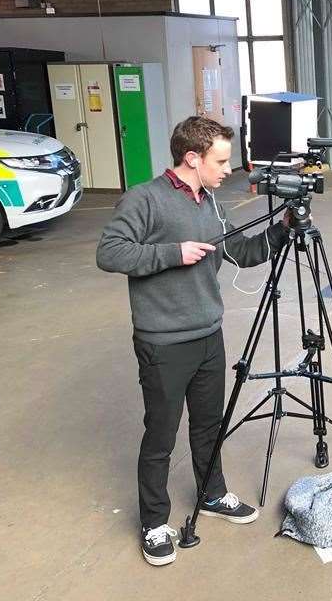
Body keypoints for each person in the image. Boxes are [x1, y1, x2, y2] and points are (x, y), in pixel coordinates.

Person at [97, 116, 291, 565]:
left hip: (209, 334)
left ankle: (212, 493)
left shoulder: (211, 202)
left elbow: (240, 252)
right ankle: (153, 522)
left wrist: (282, 229)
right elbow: (109, 252)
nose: (229, 169)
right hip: (163, 341)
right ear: (192, 158)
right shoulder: (145, 199)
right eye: (221, 161)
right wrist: (172, 253)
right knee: (161, 435)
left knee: (208, 425)